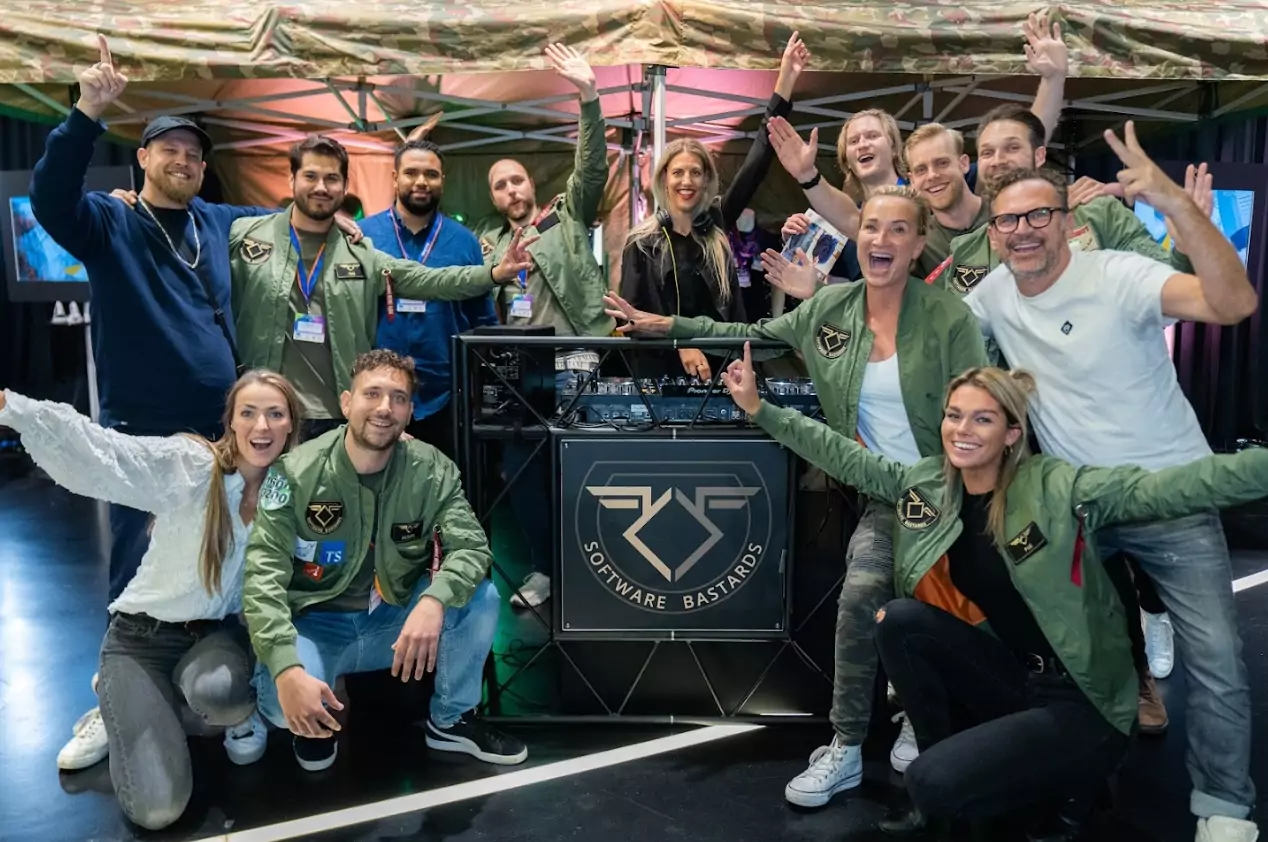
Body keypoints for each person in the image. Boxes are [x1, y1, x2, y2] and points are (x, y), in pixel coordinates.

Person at [721, 350, 1268, 841]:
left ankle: (1077, 789)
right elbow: (845, 456)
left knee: (933, 784)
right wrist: (760, 408)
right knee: (899, 620)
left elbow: (1174, 487)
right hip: (1015, 676)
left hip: (1082, 698)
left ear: (1011, 433)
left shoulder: (1057, 486)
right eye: (954, 415)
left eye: (982, 419)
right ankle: (969, 764)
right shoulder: (931, 484)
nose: (962, 430)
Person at [602, 186, 989, 805]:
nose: (881, 239)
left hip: (952, 492)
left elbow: (980, 407)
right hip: (886, 497)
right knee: (860, 599)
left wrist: (962, 496)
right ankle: (846, 744)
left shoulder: (949, 317)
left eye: (898, 229)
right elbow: (748, 332)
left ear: (919, 243)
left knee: (939, 607)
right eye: (871, 227)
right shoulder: (830, 308)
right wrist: (669, 326)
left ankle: (919, 713)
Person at [964, 129, 1259, 842]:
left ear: (1068, 221)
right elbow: (920, 330)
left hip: (1171, 494)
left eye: (1039, 215)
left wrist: (1180, 212)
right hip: (1081, 507)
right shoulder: (993, 294)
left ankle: (1223, 806)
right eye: (1008, 220)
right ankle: (1075, 779)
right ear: (993, 233)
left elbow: (1233, 304)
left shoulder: (1120, 274)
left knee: (1217, 658)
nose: (1023, 230)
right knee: (1056, 647)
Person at [29, 34, 299, 773]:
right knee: (137, 560)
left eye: (194, 155)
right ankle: (113, 695)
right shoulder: (109, 221)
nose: (184, 161)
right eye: (169, 150)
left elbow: (288, 221)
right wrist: (87, 112)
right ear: (143, 159)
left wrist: (338, 221)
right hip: (143, 429)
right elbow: (50, 199)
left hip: (225, 433)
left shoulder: (216, 221)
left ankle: (229, 685)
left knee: (235, 552)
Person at [0, 371, 302, 829]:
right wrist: (13, 407)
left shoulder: (288, 491)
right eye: (249, 413)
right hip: (138, 641)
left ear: (291, 424)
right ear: (231, 422)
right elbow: (110, 453)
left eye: (275, 414)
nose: (262, 426)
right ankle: (119, 702)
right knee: (158, 811)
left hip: (212, 639)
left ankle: (154, 709)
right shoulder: (194, 467)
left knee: (222, 697)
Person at [242, 350, 525, 772]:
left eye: (398, 398)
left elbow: (471, 547)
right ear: (345, 403)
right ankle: (309, 718)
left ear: (409, 413)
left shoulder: (431, 469)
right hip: (317, 625)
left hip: (391, 620)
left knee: (479, 600)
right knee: (284, 707)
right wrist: (285, 669)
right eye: (371, 394)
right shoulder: (294, 473)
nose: (384, 407)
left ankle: (451, 720)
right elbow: (262, 577)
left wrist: (434, 600)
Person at [226, 135, 534, 441]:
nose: (321, 187)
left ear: (345, 186)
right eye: (311, 176)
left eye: (331, 178)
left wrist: (495, 273)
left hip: (346, 412)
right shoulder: (244, 236)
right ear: (292, 178)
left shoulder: (359, 249)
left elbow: (430, 280)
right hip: (267, 407)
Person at [472, 43, 616, 610]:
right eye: (500, 185)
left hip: (582, 359)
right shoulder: (487, 244)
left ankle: (600, 567)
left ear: (530, 184)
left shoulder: (565, 214)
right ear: (492, 197)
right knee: (522, 473)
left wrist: (588, 95)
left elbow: (593, 167)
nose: (511, 190)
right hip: (521, 376)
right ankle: (545, 571)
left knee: (587, 471)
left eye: (516, 181)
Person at [772, 11, 1068, 281]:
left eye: (942, 163)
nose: (933, 175)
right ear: (912, 177)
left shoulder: (988, 198)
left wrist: (1053, 80)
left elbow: (1022, 145)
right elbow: (851, 226)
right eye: (854, 140)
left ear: (963, 164)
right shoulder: (910, 229)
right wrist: (807, 177)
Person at [619, 32, 810, 381]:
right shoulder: (641, 242)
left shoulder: (717, 223)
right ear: (664, 179)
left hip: (725, 371)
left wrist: (785, 80)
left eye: (696, 172)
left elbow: (758, 159)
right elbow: (631, 319)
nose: (687, 181)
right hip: (662, 375)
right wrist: (678, 343)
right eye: (678, 172)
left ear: (707, 180)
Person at [931, 104, 1201, 296]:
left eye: (1012, 148)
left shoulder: (1097, 213)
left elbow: (1169, 285)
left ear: (1039, 156)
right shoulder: (967, 248)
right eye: (987, 152)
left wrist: (1187, 242)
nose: (998, 160)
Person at [362, 139, 497, 458]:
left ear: (442, 181)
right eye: (411, 173)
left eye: (431, 174)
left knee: (445, 480)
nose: (421, 181)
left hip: (446, 396)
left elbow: (482, 320)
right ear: (395, 178)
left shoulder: (464, 241)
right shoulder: (363, 236)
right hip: (376, 394)